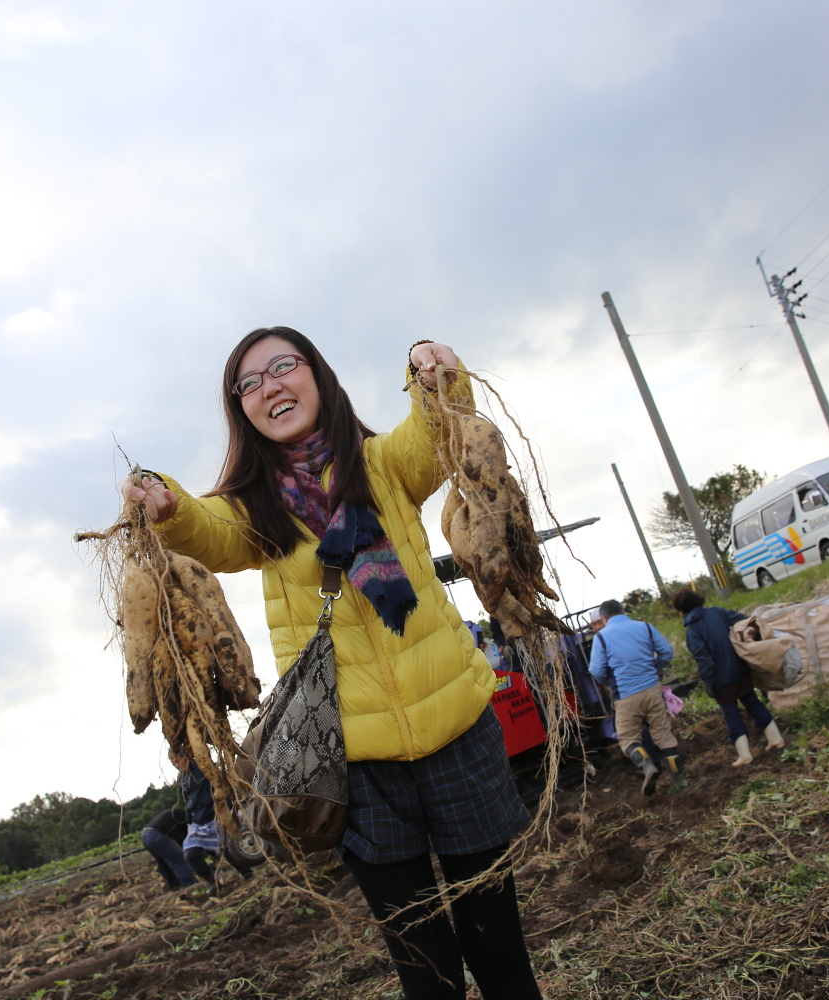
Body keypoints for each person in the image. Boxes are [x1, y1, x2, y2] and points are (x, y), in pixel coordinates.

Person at [120, 328, 542, 1000]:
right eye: (249, 384)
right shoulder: (254, 509)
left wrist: (435, 375)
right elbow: (206, 529)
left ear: (317, 375)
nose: (269, 387)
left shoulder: (383, 465)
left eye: (283, 367)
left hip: (459, 732)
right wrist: (166, 504)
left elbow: (432, 434)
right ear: (241, 410)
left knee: (499, 951)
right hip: (354, 764)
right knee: (425, 972)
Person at [671, 588, 785, 766]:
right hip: (740, 668)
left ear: (681, 610)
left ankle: (745, 755)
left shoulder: (692, 630)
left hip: (721, 680)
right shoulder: (717, 612)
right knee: (753, 703)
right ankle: (775, 738)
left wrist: (708, 681)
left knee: (731, 714)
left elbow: (703, 659)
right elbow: (743, 620)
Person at [588, 598, 686, 794]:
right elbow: (666, 652)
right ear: (623, 611)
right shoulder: (645, 627)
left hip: (625, 695)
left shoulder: (601, 638)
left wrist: (610, 681)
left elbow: (596, 670)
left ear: (604, 618)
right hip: (652, 690)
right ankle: (678, 778)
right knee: (664, 736)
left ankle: (647, 765)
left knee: (628, 739)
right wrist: (653, 669)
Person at [179, 760, 253, 893]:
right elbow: (187, 802)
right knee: (190, 854)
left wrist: (230, 807)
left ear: (185, 757)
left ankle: (247, 873)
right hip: (198, 822)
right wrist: (189, 821)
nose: (177, 765)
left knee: (228, 849)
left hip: (216, 815)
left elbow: (220, 785)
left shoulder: (203, 766)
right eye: (173, 762)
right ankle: (213, 883)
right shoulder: (182, 779)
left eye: (178, 760)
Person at [140, 807, 196, 892]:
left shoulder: (177, 814)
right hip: (157, 835)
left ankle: (174, 885)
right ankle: (190, 885)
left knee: (163, 862)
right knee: (177, 860)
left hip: (145, 835)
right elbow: (181, 838)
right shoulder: (186, 818)